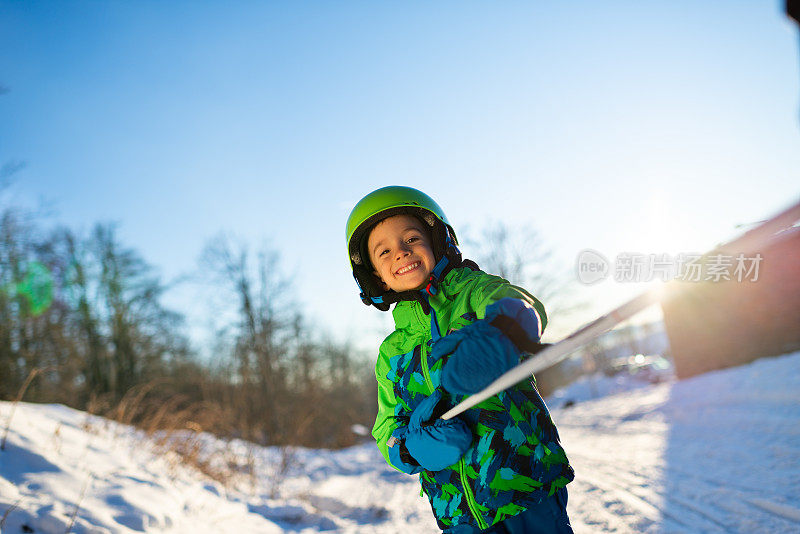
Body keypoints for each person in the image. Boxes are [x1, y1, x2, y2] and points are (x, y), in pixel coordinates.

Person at [345, 186, 574, 533]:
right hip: (459, 515)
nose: (401, 253)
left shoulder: (474, 291)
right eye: (385, 251)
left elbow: (523, 305)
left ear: (438, 240)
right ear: (374, 274)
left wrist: (502, 331)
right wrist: (411, 449)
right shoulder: (391, 354)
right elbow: (387, 429)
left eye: (411, 239)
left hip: (526, 490)